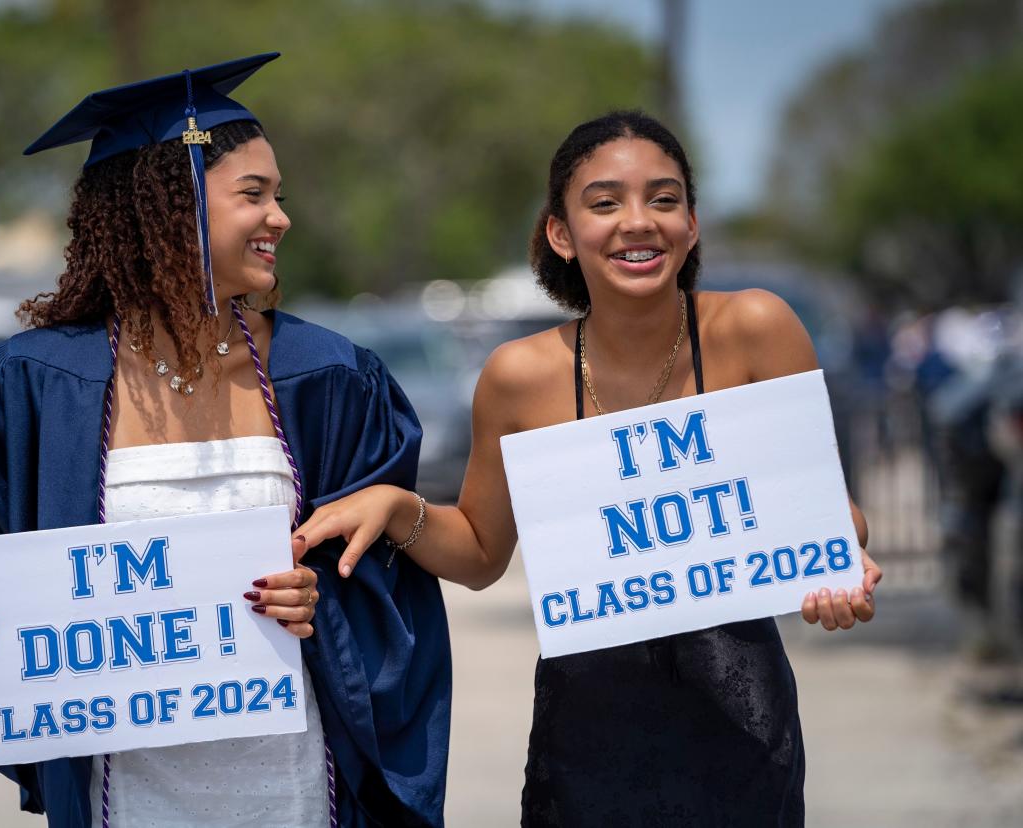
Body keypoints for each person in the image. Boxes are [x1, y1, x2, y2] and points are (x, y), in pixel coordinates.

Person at [296, 110, 883, 825]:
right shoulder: (519, 375)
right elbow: (481, 553)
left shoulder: (756, 328)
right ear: (561, 233)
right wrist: (397, 507)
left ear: (692, 226)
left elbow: (828, 508)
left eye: (663, 200)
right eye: (605, 203)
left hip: (742, 727)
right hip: (586, 739)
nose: (638, 221)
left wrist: (842, 556)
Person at [0, 53, 451, 828]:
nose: (281, 217)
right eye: (255, 194)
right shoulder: (26, 385)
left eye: (281, 195)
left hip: (298, 789)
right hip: (122, 797)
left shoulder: (328, 377)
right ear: (167, 207)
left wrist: (321, 601)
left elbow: (385, 597)